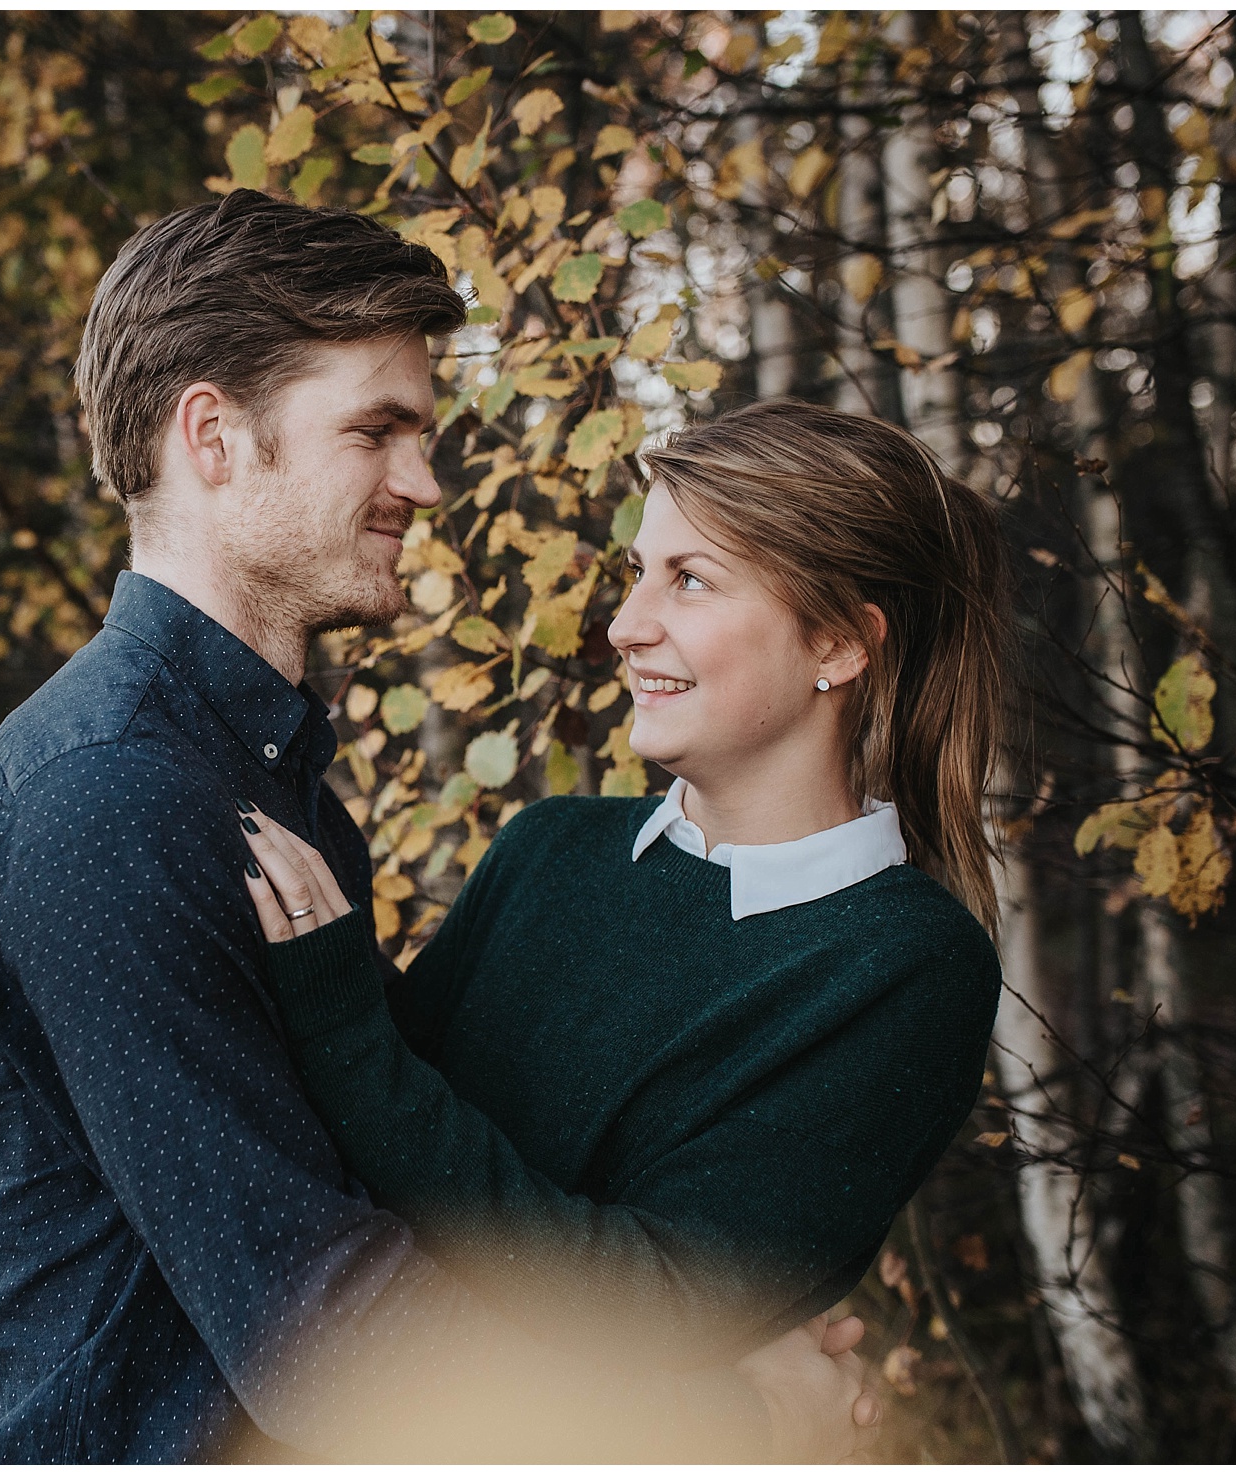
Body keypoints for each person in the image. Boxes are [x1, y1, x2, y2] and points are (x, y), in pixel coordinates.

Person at [0, 194, 875, 1463]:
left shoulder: (252, 771)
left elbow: (377, 1177)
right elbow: (322, 1331)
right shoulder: (107, 800)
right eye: (377, 430)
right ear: (213, 435)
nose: (422, 481)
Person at [236, 399, 1009, 1372]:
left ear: (839, 644)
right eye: (640, 572)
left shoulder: (903, 963)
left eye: (690, 579)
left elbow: (648, 1307)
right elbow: (357, 1148)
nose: (627, 624)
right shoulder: (549, 848)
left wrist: (339, 1014)